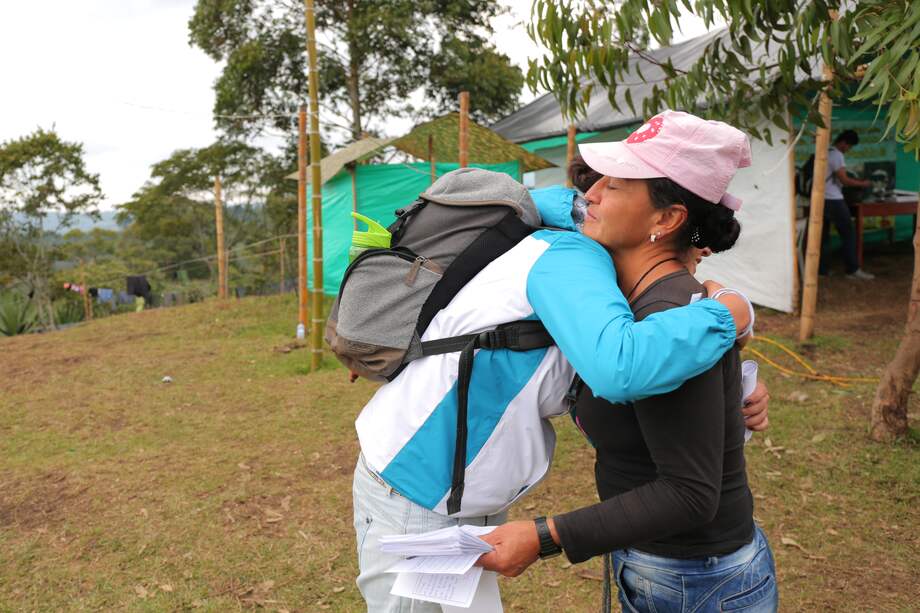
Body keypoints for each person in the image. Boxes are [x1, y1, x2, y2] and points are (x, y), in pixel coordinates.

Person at [478, 111, 778, 612]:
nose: (589, 195)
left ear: (666, 219)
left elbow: (689, 494)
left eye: (614, 186)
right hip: (668, 568)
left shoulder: (669, 318)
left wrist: (545, 536)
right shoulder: (630, 308)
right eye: (597, 181)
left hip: (697, 582)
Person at [819, 129, 874, 279]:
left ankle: (821, 271)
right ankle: (852, 270)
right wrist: (863, 184)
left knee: (823, 237)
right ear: (843, 142)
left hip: (820, 200)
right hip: (834, 200)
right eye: (849, 146)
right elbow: (844, 180)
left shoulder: (826, 152)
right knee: (849, 234)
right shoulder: (837, 155)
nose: (848, 149)